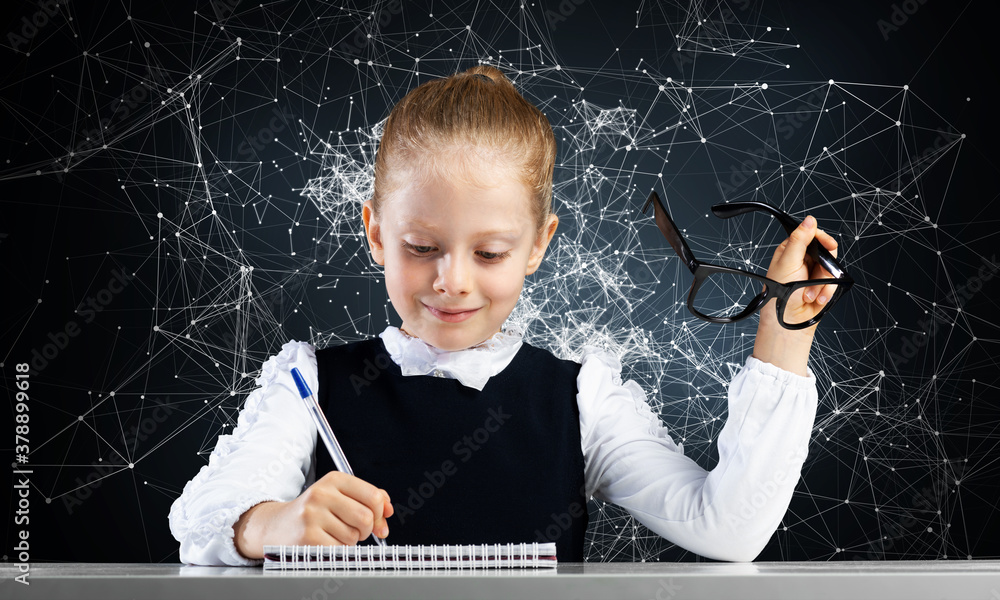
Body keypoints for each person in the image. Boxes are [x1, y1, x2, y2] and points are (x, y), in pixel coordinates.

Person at [168, 64, 838, 565]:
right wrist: (271, 524)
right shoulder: (308, 385)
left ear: (538, 245)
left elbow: (727, 526)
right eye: (420, 247)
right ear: (374, 233)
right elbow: (200, 521)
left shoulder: (582, 399)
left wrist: (784, 327)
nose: (451, 280)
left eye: (489, 251)